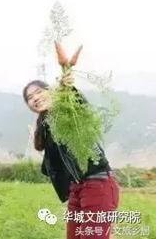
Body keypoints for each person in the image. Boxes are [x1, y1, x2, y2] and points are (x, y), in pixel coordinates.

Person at [22, 73, 119, 239]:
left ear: (50, 91)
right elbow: (52, 169)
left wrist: (68, 89)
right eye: (30, 98)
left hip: (97, 183)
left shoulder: (68, 111)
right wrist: (42, 148)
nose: (35, 98)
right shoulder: (46, 126)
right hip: (76, 189)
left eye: (38, 92)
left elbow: (79, 105)